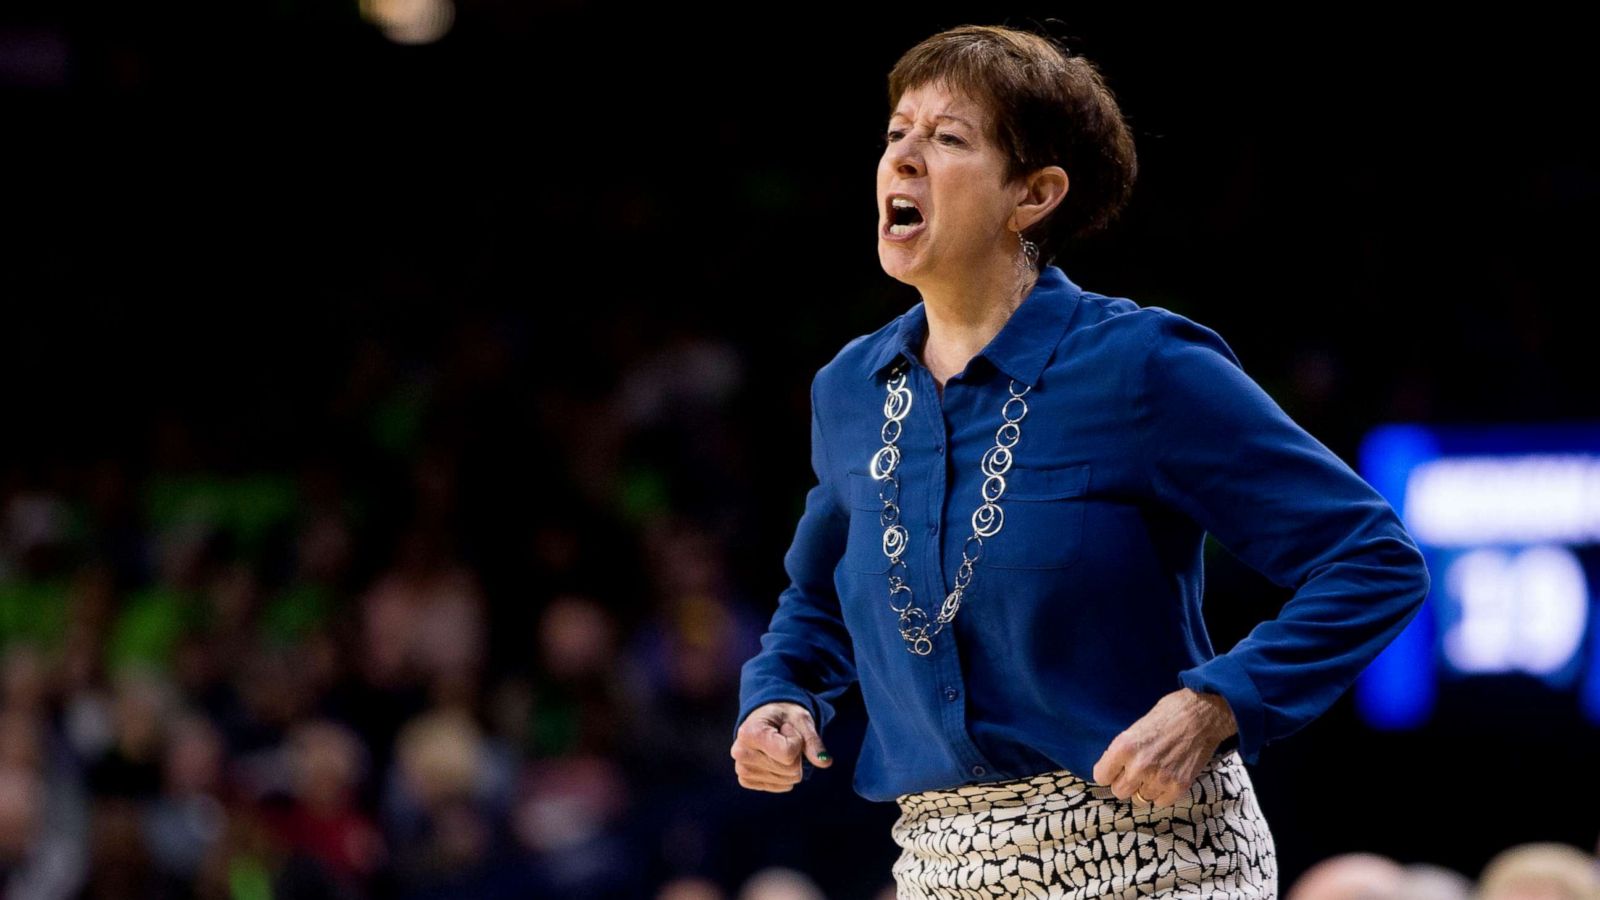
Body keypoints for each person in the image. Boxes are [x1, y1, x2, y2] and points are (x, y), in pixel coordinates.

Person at [729, 23, 1431, 898]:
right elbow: (818, 597)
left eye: (947, 138)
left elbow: (1373, 559)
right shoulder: (850, 390)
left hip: (1158, 862)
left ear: (1035, 195)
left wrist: (1216, 704)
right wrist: (782, 697)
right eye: (895, 133)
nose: (902, 158)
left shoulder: (1143, 367)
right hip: (940, 870)